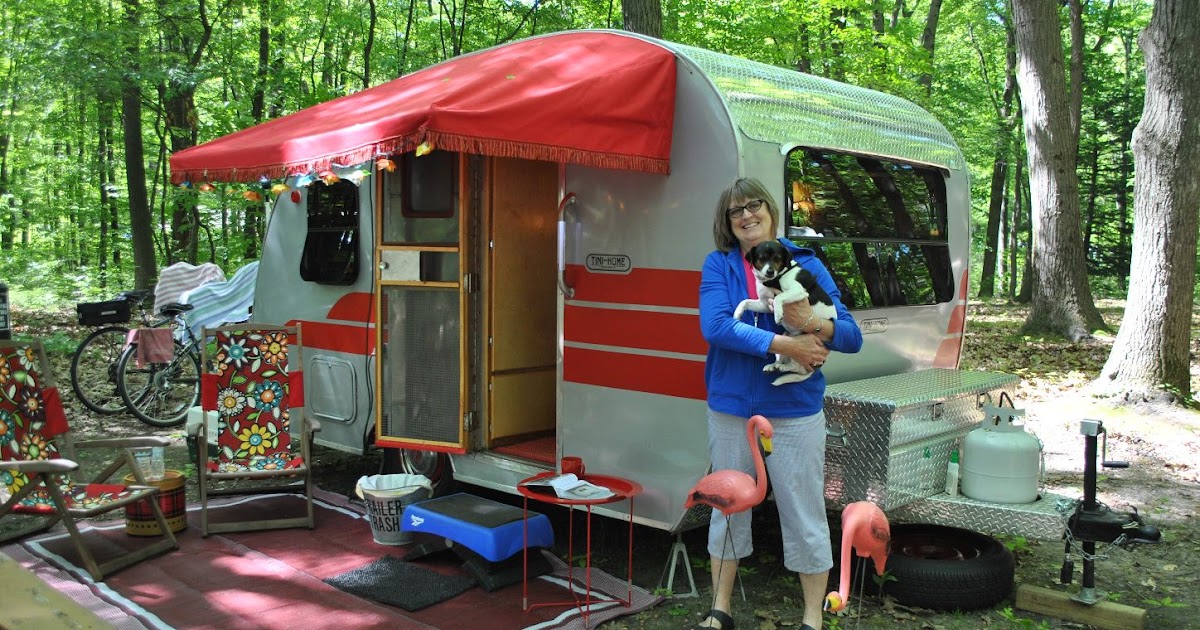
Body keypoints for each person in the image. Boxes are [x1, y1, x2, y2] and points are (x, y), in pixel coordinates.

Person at [694, 177, 863, 630]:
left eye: (754, 206)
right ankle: (720, 609)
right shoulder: (720, 266)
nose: (747, 215)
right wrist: (788, 347)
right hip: (732, 409)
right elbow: (716, 328)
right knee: (728, 509)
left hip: (794, 409)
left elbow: (851, 334)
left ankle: (813, 617)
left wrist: (811, 323)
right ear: (728, 224)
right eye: (736, 211)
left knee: (804, 508)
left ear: (771, 211)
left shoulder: (806, 262)